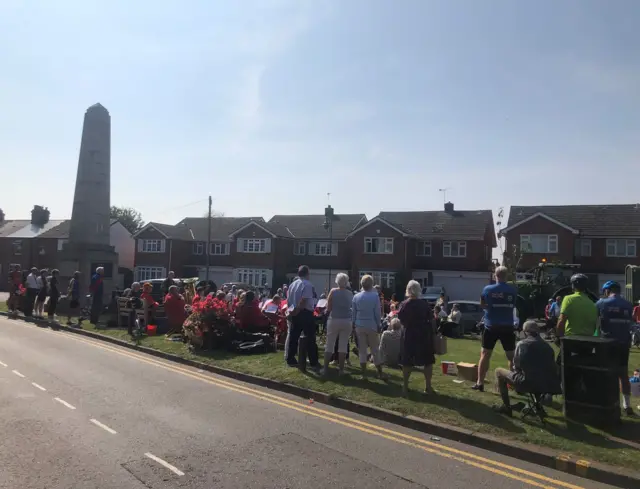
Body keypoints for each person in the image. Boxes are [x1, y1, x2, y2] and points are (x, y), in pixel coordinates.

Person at [493, 321, 561, 416]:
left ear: (525, 332)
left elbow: (516, 366)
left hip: (527, 383)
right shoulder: (548, 347)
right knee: (536, 375)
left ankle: (506, 407)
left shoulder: (522, 344)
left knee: (498, 371)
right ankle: (538, 408)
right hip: (547, 385)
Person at [472, 266, 518, 392]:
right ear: (506, 276)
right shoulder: (513, 290)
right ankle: (514, 383)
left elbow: (482, 304)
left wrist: (489, 306)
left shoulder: (487, 289)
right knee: (511, 357)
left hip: (491, 326)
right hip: (507, 326)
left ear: (495, 275)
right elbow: (513, 305)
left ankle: (480, 383)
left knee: (485, 355)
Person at [596, 281, 635, 416]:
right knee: (623, 375)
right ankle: (627, 405)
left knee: (606, 374)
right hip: (624, 343)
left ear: (607, 291)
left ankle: (608, 403)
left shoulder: (601, 303)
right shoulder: (628, 305)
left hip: (607, 344)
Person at [397, 280, 436, 396]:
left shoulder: (404, 304)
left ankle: (405, 386)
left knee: (407, 362)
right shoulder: (424, 304)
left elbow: (401, 320)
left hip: (409, 334)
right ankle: (428, 386)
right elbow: (431, 319)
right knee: (428, 361)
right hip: (424, 334)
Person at [284, 266, 321, 372]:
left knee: (294, 336)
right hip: (304, 312)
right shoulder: (307, 284)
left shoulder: (292, 284)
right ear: (307, 273)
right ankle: (313, 361)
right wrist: (298, 309)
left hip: (294, 311)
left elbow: (288, 299)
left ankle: (290, 358)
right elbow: (304, 300)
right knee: (310, 337)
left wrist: (292, 311)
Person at [352, 274, 385, 379]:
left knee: (362, 350)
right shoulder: (375, 296)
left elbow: (354, 313)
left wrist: (354, 325)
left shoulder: (356, 296)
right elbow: (377, 313)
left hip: (359, 325)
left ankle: (364, 374)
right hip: (371, 325)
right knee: (375, 350)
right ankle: (380, 372)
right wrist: (379, 324)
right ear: (371, 285)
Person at [322, 273, 353, 376]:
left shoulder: (333, 291)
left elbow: (328, 307)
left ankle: (325, 368)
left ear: (337, 281)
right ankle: (341, 370)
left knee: (330, 344)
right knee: (343, 345)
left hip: (334, 319)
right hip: (347, 320)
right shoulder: (350, 293)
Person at [556, 274, 597, 339]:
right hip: (589, 339)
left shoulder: (568, 299)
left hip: (572, 338)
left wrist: (558, 337)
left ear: (573, 285)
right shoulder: (592, 303)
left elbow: (561, 320)